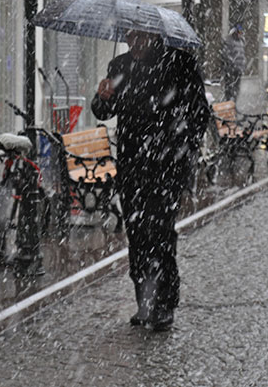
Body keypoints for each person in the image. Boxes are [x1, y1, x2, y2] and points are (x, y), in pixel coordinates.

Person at [91, 30, 210, 331]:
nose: (134, 45)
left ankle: (164, 302)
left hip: (167, 166)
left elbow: (199, 113)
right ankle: (144, 301)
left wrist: (182, 148)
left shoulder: (180, 63)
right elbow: (105, 111)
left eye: (140, 38)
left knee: (160, 232)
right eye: (129, 39)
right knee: (137, 234)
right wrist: (102, 98)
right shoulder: (119, 66)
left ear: (154, 36)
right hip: (132, 166)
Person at [221, 24, 246, 101]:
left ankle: (234, 103)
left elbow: (242, 56)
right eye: (239, 32)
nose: (240, 34)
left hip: (238, 71)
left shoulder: (241, 42)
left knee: (236, 88)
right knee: (229, 88)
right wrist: (232, 65)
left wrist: (243, 65)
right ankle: (229, 102)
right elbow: (226, 55)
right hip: (231, 70)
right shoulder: (229, 41)